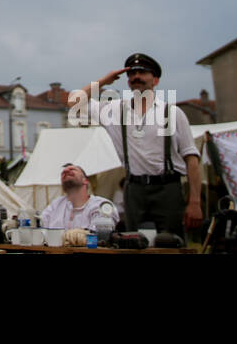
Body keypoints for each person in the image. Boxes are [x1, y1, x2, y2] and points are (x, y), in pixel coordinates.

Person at [70, 53, 202, 236]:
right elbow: (73, 102)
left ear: (155, 80)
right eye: (132, 74)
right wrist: (104, 81)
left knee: (170, 243)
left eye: (142, 72)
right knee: (134, 243)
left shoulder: (172, 113)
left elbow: (192, 158)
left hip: (168, 188)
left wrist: (194, 202)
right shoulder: (114, 110)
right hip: (134, 189)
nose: (136, 77)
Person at [37, 163, 119, 233]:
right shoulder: (55, 206)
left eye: (72, 170)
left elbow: (100, 235)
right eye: (63, 173)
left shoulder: (100, 205)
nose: (65, 171)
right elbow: (41, 229)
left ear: (85, 181)